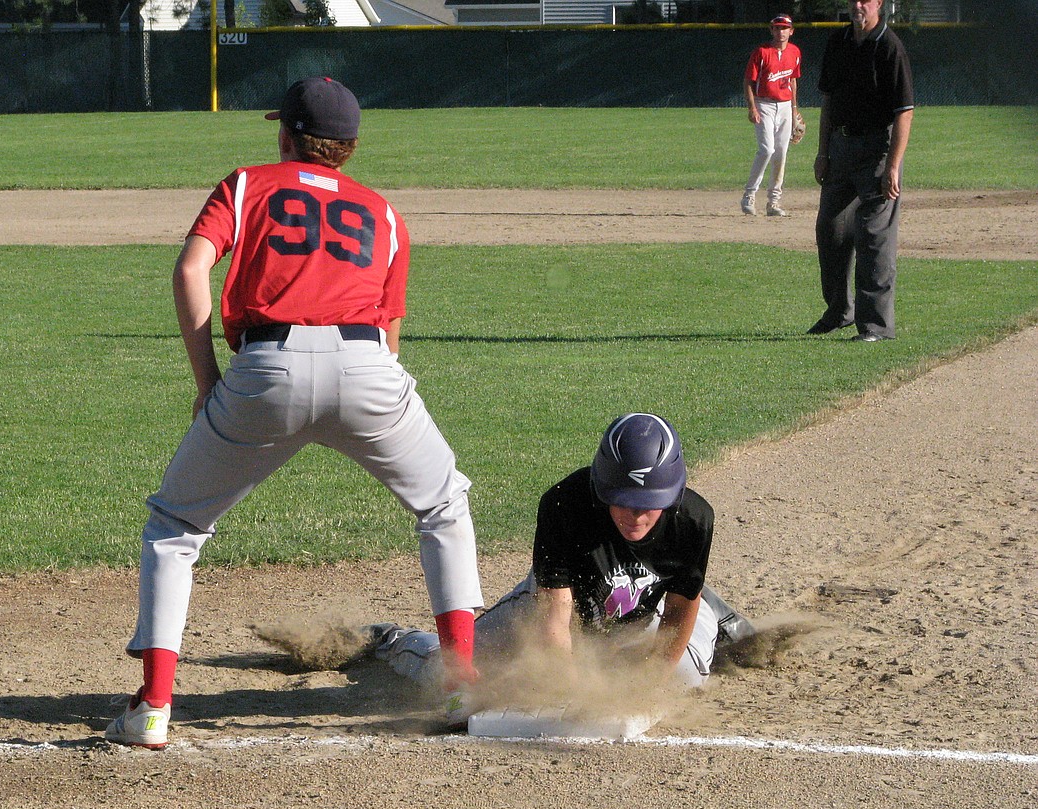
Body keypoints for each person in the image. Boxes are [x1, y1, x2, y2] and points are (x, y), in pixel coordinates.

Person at [106, 76, 484, 749]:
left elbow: (191, 270)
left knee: (174, 525)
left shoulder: (248, 185)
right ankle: (460, 681)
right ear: (349, 148)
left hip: (266, 369)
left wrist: (207, 382)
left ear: (286, 136)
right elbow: (390, 336)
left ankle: (154, 707)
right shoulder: (385, 213)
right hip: (370, 369)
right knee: (445, 506)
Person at [372, 413, 755, 723]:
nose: (634, 515)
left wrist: (647, 685)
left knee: (685, 679)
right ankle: (388, 639)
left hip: (649, 609)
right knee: (452, 665)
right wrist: (575, 689)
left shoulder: (693, 518)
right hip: (563, 603)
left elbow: (677, 613)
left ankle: (709, 607)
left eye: (648, 503)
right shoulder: (565, 505)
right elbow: (554, 619)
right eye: (621, 501)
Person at [808, 0, 914, 341]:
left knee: (874, 235)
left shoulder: (889, 46)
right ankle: (840, 311)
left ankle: (876, 327)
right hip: (840, 148)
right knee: (830, 227)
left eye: (865, 0)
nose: (857, 5)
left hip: (876, 151)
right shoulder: (837, 42)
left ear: (878, 4)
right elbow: (828, 101)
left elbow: (904, 112)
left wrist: (893, 166)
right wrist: (822, 151)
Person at [741, 13, 802, 218]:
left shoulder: (794, 52)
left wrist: (794, 110)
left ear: (791, 31)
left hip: (785, 106)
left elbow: (793, 81)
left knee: (781, 153)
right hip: (764, 104)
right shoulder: (761, 52)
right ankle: (749, 194)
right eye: (777, 28)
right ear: (771, 30)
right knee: (767, 149)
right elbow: (749, 81)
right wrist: (752, 107)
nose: (781, 31)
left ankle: (773, 202)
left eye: (784, 28)